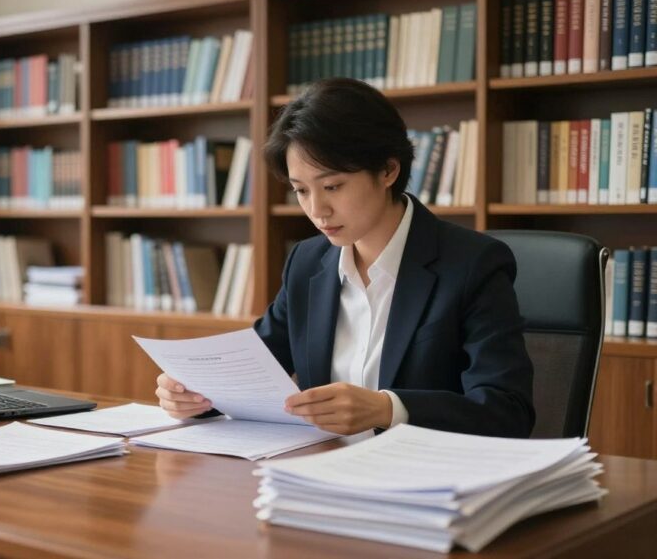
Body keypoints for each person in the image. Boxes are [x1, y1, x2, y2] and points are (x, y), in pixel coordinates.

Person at [156, 78, 535, 438]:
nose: (317, 210)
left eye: (333, 186)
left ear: (388, 170)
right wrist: (194, 395)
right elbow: (252, 371)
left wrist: (388, 409)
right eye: (301, 191)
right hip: (320, 469)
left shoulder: (472, 264)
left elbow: (507, 410)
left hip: (426, 483)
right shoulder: (307, 262)